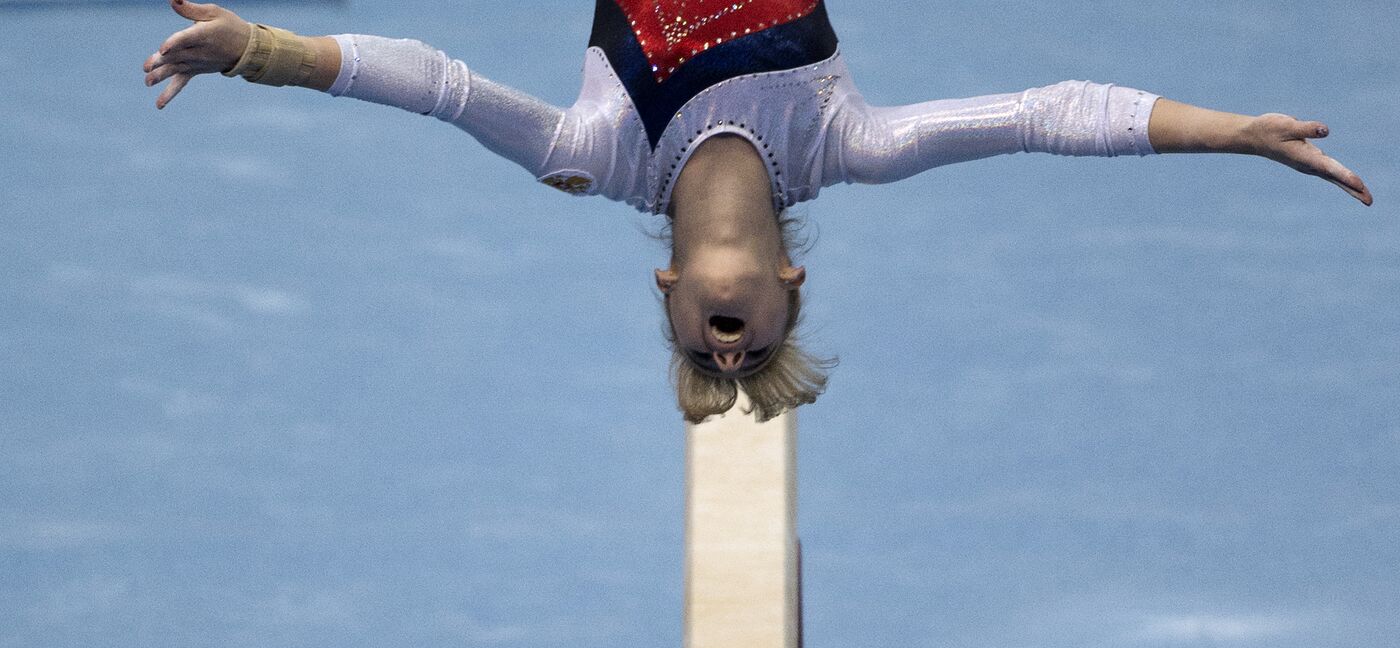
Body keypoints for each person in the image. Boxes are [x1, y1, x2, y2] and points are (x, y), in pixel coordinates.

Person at [144, 0, 1373, 422]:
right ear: (790, 286)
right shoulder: (853, 143)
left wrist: (257, 48)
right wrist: (1230, 132)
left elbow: (433, 86)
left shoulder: (592, 152)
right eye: (756, 350)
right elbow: (1049, 113)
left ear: (669, 293)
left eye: (703, 351)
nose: (729, 346)